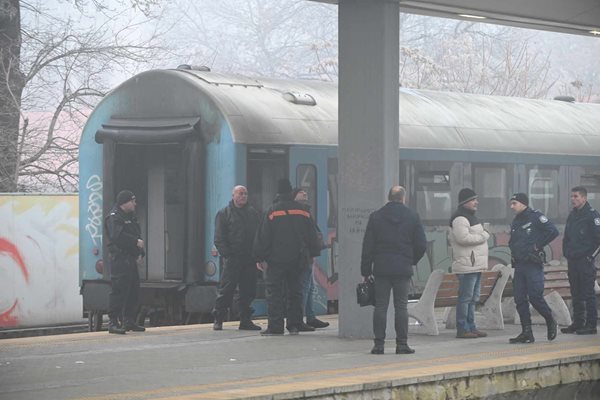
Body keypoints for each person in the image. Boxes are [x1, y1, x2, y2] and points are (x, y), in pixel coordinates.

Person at [361, 186, 427, 355]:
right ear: (403, 198)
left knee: (381, 307)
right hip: (402, 268)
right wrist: (411, 260)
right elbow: (421, 244)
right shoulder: (412, 216)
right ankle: (402, 344)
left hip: (382, 268)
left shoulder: (376, 217)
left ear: (388, 197)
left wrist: (366, 270)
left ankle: (379, 345)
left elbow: (368, 245)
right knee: (401, 307)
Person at [253, 179, 321, 335]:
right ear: (291, 192)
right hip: (298, 259)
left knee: (274, 293)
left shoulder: (272, 211)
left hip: (276, 261)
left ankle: (275, 327)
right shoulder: (303, 210)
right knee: (295, 292)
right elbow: (312, 234)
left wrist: (259, 257)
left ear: (278, 192)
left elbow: (263, 236)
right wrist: (313, 253)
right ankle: (295, 324)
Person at [508, 193, 559, 344]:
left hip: (532, 264)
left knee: (535, 297)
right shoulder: (516, 220)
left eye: (514, 203)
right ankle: (527, 332)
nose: (512, 207)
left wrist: (537, 245)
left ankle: (550, 320)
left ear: (523, 204)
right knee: (519, 299)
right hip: (520, 265)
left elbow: (553, 231)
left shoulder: (536, 216)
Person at [212, 185, 262, 331]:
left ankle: (245, 320)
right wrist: (227, 254)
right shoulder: (224, 214)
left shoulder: (253, 213)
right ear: (233, 195)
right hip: (232, 259)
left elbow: (258, 235)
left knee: (248, 291)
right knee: (226, 290)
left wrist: (257, 255)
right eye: (240, 193)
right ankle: (218, 318)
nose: (244, 196)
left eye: (245, 193)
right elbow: (219, 238)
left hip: (249, 259)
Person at [449, 188, 490, 339]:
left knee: (473, 298)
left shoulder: (470, 217)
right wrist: (484, 235)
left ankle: (471, 326)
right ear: (465, 202)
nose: (476, 202)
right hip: (467, 265)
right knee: (466, 298)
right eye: (473, 200)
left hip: (474, 265)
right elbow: (463, 239)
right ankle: (463, 328)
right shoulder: (460, 218)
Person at [105, 190, 146, 334]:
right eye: (133, 201)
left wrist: (140, 253)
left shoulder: (130, 217)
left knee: (133, 291)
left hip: (131, 259)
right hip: (120, 259)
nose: (135, 203)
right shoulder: (114, 217)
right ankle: (113, 322)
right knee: (119, 291)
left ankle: (129, 320)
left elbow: (137, 234)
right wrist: (135, 242)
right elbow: (118, 237)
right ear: (125, 202)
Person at [561, 186, 600, 335]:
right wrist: (566, 252)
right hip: (573, 260)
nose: (573, 199)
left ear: (584, 198)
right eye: (571, 197)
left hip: (585, 261)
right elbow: (567, 237)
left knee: (588, 293)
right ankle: (577, 323)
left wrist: (591, 257)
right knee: (575, 292)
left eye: (576, 196)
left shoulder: (592, 216)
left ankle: (591, 325)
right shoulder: (572, 215)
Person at [292, 188, 329, 331]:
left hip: (307, 255)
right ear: (294, 196)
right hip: (303, 255)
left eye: (306, 191)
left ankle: (310, 316)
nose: (305, 193)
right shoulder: (299, 212)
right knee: (304, 287)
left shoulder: (305, 210)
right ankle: (300, 319)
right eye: (301, 192)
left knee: (310, 286)